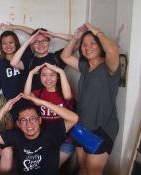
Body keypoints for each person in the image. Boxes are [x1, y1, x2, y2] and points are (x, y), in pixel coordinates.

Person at [60, 22, 120, 175]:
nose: (88, 47)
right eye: (84, 45)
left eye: (93, 43)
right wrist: (75, 37)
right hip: (82, 126)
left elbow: (113, 49)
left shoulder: (109, 67)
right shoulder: (85, 67)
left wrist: (97, 30)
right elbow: (64, 56)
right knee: (83, 168)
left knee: (93, 171)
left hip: (101, 128)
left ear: (100, 46)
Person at [0, 94, 79, 175]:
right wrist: (3, 110)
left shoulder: (51, 132)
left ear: (40, 120)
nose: (29, 124)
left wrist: (43, 103)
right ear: (18, 124)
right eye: (24, 120)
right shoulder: (15, 136)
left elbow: (74, 118)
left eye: (33, 119)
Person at [24, 62, 75, 167]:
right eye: (44, 75)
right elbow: (26, 96)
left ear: (58, 77)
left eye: (52, 75)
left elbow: (68, 96)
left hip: (65, 139)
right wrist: (30, 73)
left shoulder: (64, 91)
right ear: (40, 77)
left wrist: (61, 71)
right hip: (47, 139)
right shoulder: (38, 93)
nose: (48, 79)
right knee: (42, 166)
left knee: (52, 167)